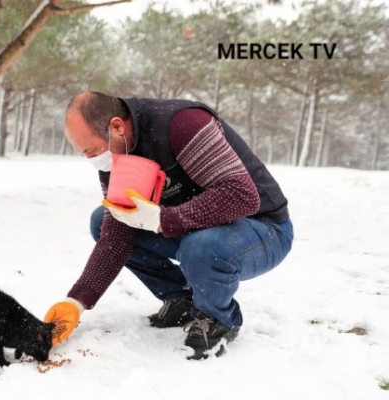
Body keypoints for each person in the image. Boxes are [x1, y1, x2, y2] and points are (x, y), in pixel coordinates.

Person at [44, 91, 293, 360]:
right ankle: (181, 299)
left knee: (201, 246)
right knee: (101, 220)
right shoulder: (117, 150)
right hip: (198, 229)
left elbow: (241, 196)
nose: (91, 160)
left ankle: (219, 320)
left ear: (116, 126)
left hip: (261, 228)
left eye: (90, 150)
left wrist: (165, 219)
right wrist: (77, 301)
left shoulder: (183, 124)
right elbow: (117, 233)